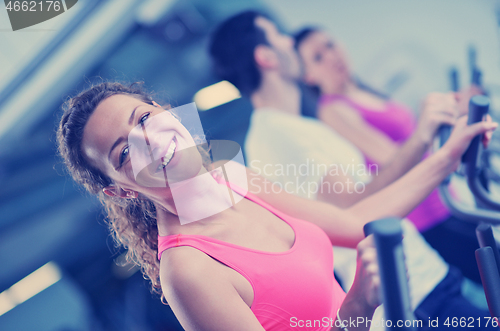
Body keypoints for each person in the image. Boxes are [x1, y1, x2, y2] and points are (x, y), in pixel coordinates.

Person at [208, 10, 497, 330]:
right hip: (414, 295)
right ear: (266, 56)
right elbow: (353, 207)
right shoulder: (278, 134)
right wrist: (433, 144)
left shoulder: (295, 126)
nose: (290, 42)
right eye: (279, 35)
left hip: (424, 277)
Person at [58, 81, 388, 331]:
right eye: (125, 153)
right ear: (121, 192)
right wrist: (358, 303)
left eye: (144, 117)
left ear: (164, 109)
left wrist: (438, 161)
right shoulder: (188, 271)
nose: (151, 140)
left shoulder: (232, 177)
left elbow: (356, 224)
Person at [293, 27, 485, 281]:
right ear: (308, 75)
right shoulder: (332, 110)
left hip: (446, 201)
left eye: (330, 45)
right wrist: (434, 118)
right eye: (318, 57)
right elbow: (393, 157)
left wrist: (452, 111)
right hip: (426, 218)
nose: (331, 55)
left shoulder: (366, 91)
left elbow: (416, 139)